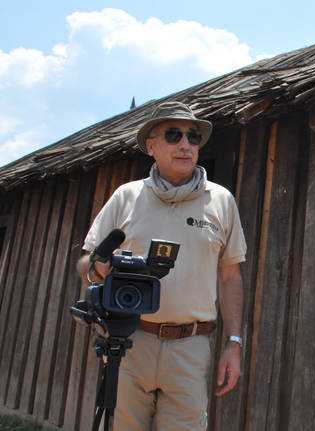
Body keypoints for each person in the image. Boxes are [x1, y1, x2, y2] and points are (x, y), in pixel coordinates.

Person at [77, 101, 246, 430]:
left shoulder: (222, 200)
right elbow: (86, 262)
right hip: (129, 341)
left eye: (192, 137)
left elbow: (230, 276)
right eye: (173, 135)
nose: (185, 145)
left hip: (191, 345)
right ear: (151, 146)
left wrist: (234, 343)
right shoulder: (126, 196)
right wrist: (105, 267)